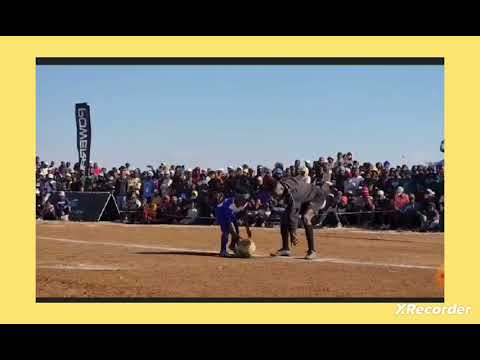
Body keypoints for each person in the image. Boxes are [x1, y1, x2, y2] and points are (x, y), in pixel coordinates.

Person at [264, 174, 328, 260]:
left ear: (281, 189)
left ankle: (312, 251)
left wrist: (293, 233)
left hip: (317, 197)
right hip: (304, 198)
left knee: (306, 218)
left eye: (276, 195)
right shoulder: (282, 183)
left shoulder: (293, 195)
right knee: (284, 218)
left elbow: (293, 216)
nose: (276, 197)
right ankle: (285, 249)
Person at [214, 192, 252, 257]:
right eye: (240, 201)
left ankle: (232, 245)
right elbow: (229, 224)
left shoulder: (244, 203)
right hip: (221, 211)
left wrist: (247, 228)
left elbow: (244, 215)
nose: (241, 204)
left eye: (243, 202)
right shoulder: (228, 206)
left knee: (236, 229)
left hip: (231, 212)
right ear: (237, 200)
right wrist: (234, 234)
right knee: (226, 230)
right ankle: (223, 251)